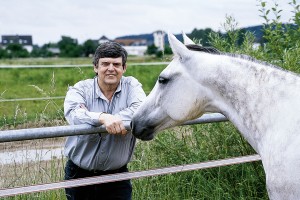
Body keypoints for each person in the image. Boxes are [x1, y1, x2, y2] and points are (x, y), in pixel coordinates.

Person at [63, 41, 146, 200]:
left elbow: (140, 109)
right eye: (105, 63)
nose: (111, 68)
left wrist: (113, 119)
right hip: (79, 174)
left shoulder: (132, 85)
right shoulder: (81, 88)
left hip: (117, 177)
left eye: (116, 64)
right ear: (95, 67)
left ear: (124, 68)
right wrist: (102, 118)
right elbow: (74, 114)